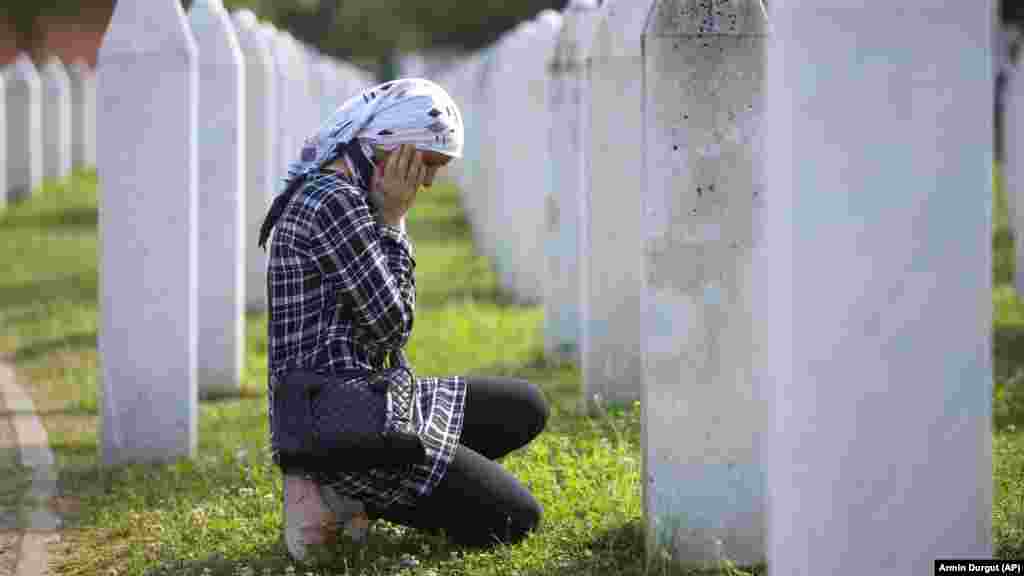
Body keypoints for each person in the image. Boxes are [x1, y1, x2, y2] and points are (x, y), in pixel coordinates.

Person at [257, 78, 549, 562]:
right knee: (518, 518)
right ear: (394, 148)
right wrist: (394, 221)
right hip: (342, 428)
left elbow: (384, 334)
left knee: (525, 406)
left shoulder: (344, 190)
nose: (430, 181)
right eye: (428, 164)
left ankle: (395, 487)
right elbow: (392, 326)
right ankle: (342, 490)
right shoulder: (336, 202)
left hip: (368, 397)